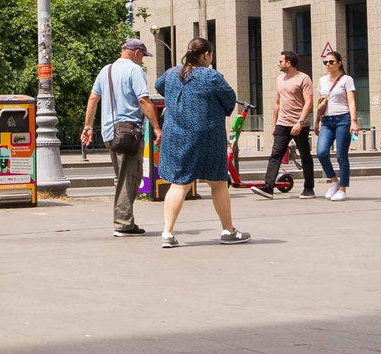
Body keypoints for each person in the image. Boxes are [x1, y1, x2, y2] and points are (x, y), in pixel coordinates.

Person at [152, 36, 250, 248]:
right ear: (206, 55)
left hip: (176, 135)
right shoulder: (212, 76)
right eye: (211, 55)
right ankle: (227, 230)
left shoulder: (171, 74)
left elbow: (158, 86)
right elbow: (229, 99)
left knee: (179, 184)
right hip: (207, 137)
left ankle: (167, 233)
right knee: (218, 183)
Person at [79, 37, 157, 235]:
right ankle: (123, 223)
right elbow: (143, 100)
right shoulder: (134, 70)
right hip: (128, 133)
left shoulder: (107, 70)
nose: (142, 61)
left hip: (109, 132)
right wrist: (156, 127)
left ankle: (126, 220)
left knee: (123, 176)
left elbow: (93, 98)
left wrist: (88, 126)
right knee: (130, 176)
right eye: (142, 57)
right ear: (137, 53)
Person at [257, 50, 316, 198]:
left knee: (305, 156)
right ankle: (268, 187)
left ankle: (309, 188)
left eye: (281, 61)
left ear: (288, 63)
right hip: (282, 123)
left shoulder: (304, 79)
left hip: (299, 124)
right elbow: (277, 102)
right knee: (275, 154)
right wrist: (274, 123)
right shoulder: (279, 79)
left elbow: (308, 102)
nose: (278, 63)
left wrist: (300, 122)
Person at [315, 48, 357, 201]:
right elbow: (320, 103)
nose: (328, 65)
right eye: (325, 62)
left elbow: (351, 101)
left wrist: (353, 121)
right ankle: (334, 181)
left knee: (341, 156)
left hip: (343, 119)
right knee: (321, 152)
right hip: (326, 120)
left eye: (331, 62)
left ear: (339, 63)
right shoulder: (321, 80)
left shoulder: (347, 79)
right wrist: (317, 121)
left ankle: (342, 189)